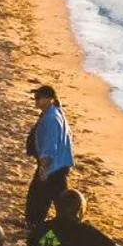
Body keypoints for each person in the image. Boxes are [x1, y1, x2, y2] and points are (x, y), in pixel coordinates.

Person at [24, 85, 74, 226]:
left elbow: (50, 146)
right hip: (57, 165)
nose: (36, 101)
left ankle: (36, 226)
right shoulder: (54, 112)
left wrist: (44, 168)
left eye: (39, 98)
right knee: (58, 198)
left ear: (49, 99)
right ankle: (63, 223)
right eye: (35, 98)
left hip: (52, 166)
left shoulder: (51, 118)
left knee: (39, 199)